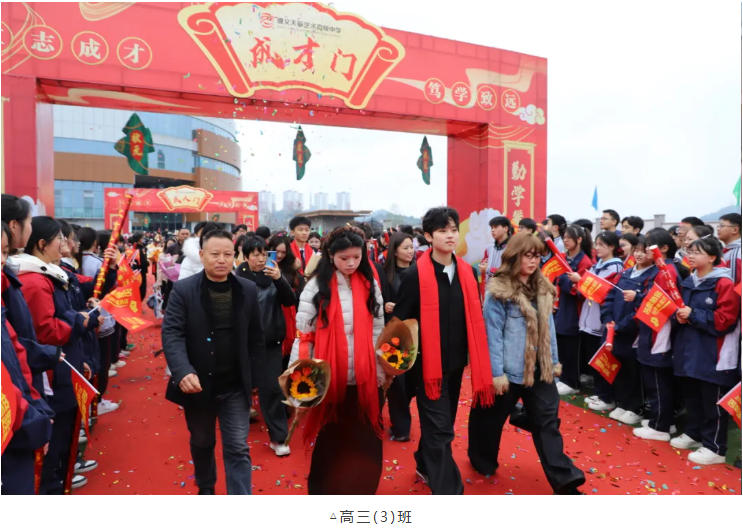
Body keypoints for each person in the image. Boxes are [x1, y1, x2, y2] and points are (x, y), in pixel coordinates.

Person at [467, 233, 585, 494]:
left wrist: (553, 362)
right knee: (488, 420)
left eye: (537, 256)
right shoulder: (499, 291)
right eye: (527, 256)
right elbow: (493, 335)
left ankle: (565, 482)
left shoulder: (543, 287)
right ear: (514, 256)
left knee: (548, 423)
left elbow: (549, 330)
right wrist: (497, 374)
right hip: (509, 371)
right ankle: (481, 459)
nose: (533, 261)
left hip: (540, 369)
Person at [393, 207, 494, 494]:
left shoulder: (467, 272)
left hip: (456, 363)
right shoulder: (414, 275)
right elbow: (400, 322)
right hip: (426, 367)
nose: (450, 236)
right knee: (440, 429)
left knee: (443, 422)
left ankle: (424, 463)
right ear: (428, 236)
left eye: (453, 230)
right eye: (442, 231)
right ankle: (449, 491)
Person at [162, 228, 265, 494]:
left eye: (227, 254)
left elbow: (255, 337)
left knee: (237, 446)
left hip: (235, 385)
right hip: (198, 384)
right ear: (201, 255)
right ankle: (206, 488)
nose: (221, 260)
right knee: (202, 441)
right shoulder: (184, 290)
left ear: (235, 256)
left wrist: (256, 377)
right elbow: (172, 333)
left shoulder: (247, 289)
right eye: (215, 254)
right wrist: (182, 370)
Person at [290, 225, 385, 494]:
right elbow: (304, 336)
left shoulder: (370, 284)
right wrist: (300, 381)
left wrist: (381, 371)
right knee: (332, 440)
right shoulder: (315, 287)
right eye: (345, 258)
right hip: (329, 378)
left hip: (365, 378)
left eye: (357, 257)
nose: (351, 263)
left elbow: (378, 330)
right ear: (331, 256)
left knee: (366, 440)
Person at [15, 217, 96, 492]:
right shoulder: (35, 281)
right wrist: (79, 322)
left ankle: (60, 478)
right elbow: (46, 330)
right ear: (41, 244)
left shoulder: (50, 273)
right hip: (54, 369)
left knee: (64, 434)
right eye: (60, 239)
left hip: (64, 360)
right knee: (57, 436)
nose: (64, 244)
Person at [671, 237, 740, 464]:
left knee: (712, 400)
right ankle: (694, 433)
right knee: (692, 395)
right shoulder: (689, 280)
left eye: (697, 252)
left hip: (713, 351)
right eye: (690, 251)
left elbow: (725, 320)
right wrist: (678, 316)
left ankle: (715, 447)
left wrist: (693, 315)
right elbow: (678, 308)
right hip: (689, 347)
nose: (690, 256)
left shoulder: (724, 283)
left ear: (712, 257)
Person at [1, 222, 55, 494]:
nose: (2, 260)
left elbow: (17, 357)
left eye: (4, 252)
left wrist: (36, 410)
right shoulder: (31, 280)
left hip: (21, 417)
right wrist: (34, 420)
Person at [235, 236, 295, 456]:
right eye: (255, 255)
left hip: (270, 343)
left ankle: (279, 439)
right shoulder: (237, 279)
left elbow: (290, 300)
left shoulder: (274, 275)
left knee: (272, 390)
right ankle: (235, 434)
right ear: (246, 256)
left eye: (264, 254)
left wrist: (279, 279)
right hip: (245, 345)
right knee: (240, 389)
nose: (261, 259)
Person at [631, 229, 681, 441]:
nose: (645, 251)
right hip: (652, 328)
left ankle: (660, 426)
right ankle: (663, 420)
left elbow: (663, 303)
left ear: (664, 248)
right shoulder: (662, 269)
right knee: (655, 379)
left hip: (659, 331)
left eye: (649, 247)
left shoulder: (667, 271)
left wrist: (638, 297)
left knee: (658, 380)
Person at [600, 235, 655, 425]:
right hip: (615, 329)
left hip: (634, 332)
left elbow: (643, 307)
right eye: (636, 250)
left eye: (644, 251)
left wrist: (622, 325)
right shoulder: (626, 272)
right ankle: (622, 402)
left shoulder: (653, 275)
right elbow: (609, 296)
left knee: (634, 370)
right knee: (620, 367)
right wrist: (608, 319)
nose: (639, 254)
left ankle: (635, 407)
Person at [574, 231, 623, 411]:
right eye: (597, 244)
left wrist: (582, 281)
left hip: (601, 320)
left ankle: (607, 397)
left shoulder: (616, 267)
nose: (597, 248)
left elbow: (604, 292)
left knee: (603, 359)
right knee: (593, 358)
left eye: (602, 245)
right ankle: (599, 392)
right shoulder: (597, 265)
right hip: (588, 317)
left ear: (612, 247)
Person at [380, 231, 416, 441]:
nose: (410, 251)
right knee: (397, 384)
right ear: (394, 251)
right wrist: (385, 305)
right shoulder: (385, 274)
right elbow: (377, 300)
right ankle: (401, 427)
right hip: (393, 335)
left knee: (411, 383)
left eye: (412, 247)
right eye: (406, 248)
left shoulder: (419, 272)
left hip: (415, 332)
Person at [554, 225, 594, 395]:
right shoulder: (563, 258)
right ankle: (563, 377)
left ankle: (572, 381)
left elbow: (581, 290)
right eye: (564, 237)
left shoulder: (585, 261)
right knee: (561, 342)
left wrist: (564, 280)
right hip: (561, 305)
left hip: (575, 309)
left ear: (579, 239)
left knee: (572, 346)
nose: (565, 240)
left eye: (569, 238)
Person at [268, 234, 305, 367]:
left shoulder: (292, 269)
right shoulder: (261, 266)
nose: (279, 255)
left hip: (288, 312)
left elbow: (298, 294)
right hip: (270, 311)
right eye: (276, 251)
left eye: (283, 252)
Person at [479, 216, 511, 283]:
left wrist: (488, 269)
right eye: (492, 228)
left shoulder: (513, 248)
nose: (492, 230)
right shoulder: (489, 249)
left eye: (496, 227)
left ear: (505, 228)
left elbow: (511, 272)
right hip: (489, 286)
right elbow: (483, 268)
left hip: (506, 287)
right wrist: (482, 266)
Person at [717, 213, 741, 285]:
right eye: (718, 226)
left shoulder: (736, 253)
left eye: (722, 226)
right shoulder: (729, 250)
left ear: (735, 230)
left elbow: (733, 283)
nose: (718, 229)